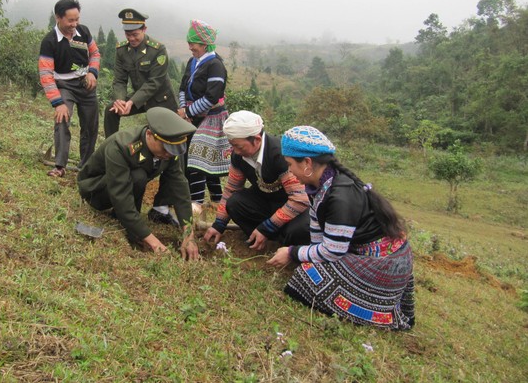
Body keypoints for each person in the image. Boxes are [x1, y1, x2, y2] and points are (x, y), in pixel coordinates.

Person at [267, 126, 415, 330]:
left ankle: (379, 311)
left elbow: (333, 251)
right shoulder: (321, 185)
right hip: (356, 252)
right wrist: (308, 254)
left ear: (307, 163)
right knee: (310, 268)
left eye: (290, 164)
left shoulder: (340, 195)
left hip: (384, 264)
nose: (289, 171)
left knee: (306, 277)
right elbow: (318, 235)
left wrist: (292, 253)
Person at [78, 107, 200, 260]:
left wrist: (189, 235)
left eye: (173, 150)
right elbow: (121, 197)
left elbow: (180, 188)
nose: (168, 154)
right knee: (138, 176)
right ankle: (131, 227)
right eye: (166, 149)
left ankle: (129, 222)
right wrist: (153, 242)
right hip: (96, 191)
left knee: (138, 176)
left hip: (122, 187)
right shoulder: (121, 146)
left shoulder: (169, 152)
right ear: (149, 134)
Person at [203, 111, 311, 251]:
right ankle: (268, 239)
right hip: (267, 201)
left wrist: (267, 227)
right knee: (235, 203)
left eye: (239, 146)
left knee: (299, 231)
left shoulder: (280, 155)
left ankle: (278, 239)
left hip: (293, 207)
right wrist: (218, 224)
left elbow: (299, 199)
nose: (236, 151)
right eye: (232, 146)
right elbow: (231, 189)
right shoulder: (238, 156)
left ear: (257, 140)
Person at [39, 0, 100, 178]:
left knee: (90, 124)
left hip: (85, 83)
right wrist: (58, 102)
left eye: (77, 19)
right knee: (62, 118)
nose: (74, 24)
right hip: (64, 85)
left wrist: (92, 73)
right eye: (70, 20)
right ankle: (60, 165)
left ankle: (86, 164)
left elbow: (95, 53)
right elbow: (45, 74)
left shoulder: (83, 31)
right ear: (58, 18)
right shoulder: (50, 41)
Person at [177, 19, 230, 212]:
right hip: (191, 116)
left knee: (199, 156)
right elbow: (183, 87)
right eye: (189, 43)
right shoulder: (193, 62)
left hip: (212, 116)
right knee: (196, 155)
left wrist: (188, 112)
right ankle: (215, 200)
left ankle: (198, 202)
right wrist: (184, 111)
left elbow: (211, 96)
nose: (190, 47)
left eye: (194, 43)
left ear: (205, 44)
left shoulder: (215, 65)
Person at [104, 8, 178, 137]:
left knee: (164, 135)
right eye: (128, 34)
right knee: (111, 110)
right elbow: (120, 80)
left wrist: (132, 101)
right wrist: (120, 101)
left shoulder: (157, 49)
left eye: (135, 34)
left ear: (144, 29)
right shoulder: (122, 50)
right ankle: (110, 146)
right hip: (139, 98)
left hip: (160, 100)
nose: (131, 38)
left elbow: (154, 82)